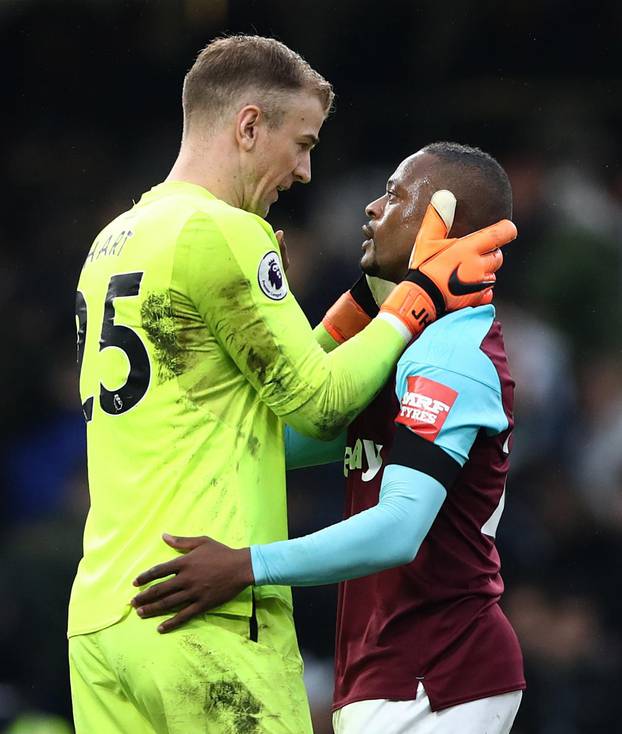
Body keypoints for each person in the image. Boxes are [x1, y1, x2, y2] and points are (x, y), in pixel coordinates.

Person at [68, 30, 515, 734]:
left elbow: (257, 423)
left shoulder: (116, 238)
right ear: (250, 125)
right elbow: (321, 402)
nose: (306, 171)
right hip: (206, 611)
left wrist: (353, 310)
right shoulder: (224, 232)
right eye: (302, 143)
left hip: (104, 614)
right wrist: (413, 297)